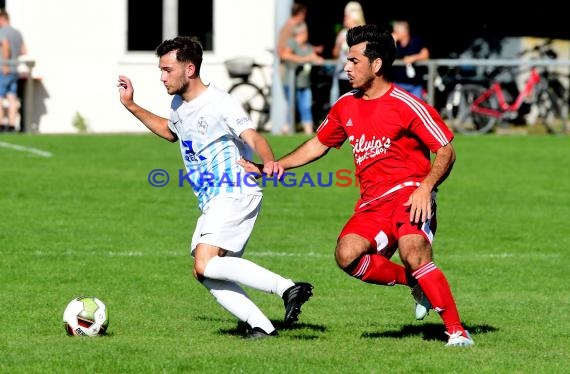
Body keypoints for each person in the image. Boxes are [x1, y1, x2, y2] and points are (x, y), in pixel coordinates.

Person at [240, 24, 474, 347]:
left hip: (409, 195)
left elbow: (446, 150)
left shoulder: (406, 104)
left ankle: (457, 332)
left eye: (353, 61)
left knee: (413, 250)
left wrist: (425, 188)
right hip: (372, 203)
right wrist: (275, 165)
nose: (346, 68)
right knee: (346, 254)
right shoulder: (346, 105)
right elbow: (317, 145)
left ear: (376, 65)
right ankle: (416, 282)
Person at [117, 36, 313, 339]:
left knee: (206, 261)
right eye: (161, 69)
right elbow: (172, 133)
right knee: (203, 271)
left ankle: (287, 287)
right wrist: (131, 105)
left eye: (168, 69)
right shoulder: (178, 103)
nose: (162, 76)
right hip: (213, 199)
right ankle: (262, 326)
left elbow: (253, 136)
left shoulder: (220, 102)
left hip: (233, 190)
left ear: (190, 69)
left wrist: (270, 161)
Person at [280, 21, 324, 135]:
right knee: (292, 106)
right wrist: (303, 59)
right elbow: (285, 55)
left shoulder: (307, 46)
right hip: (292, 82)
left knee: (306, 106)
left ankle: (308, 132)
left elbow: (312, 56)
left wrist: (318, 59)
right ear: (302, 32)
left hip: (304, 83)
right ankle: (287, 129)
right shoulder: (292, 42)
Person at [330, 1, 366, 104]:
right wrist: (338, 44)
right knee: (343, 104)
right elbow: (335, 54)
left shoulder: (364, 33)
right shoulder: (342, 33)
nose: (344, 19)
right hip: (342, 75)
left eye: (346, 16)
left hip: (358, 75)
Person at [0, 9, 27, 133]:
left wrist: (5, 62)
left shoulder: (3, 32)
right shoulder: (17, 33)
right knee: (12, 97)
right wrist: (14, 57)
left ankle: (1, 124)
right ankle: (11, 125)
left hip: (4, 68)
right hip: (15, 69)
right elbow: (24, 50)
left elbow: (5, 45)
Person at [391, 20, 430, 100]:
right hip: (397, 85)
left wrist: (413, 58)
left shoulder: (416, 41)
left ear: (405, 31)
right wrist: (391, 42)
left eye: (397, 31)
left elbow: (425, 54)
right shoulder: (394, 43)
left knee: (415, 107)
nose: (395, 33)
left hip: (414, 85)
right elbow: (386, 56)